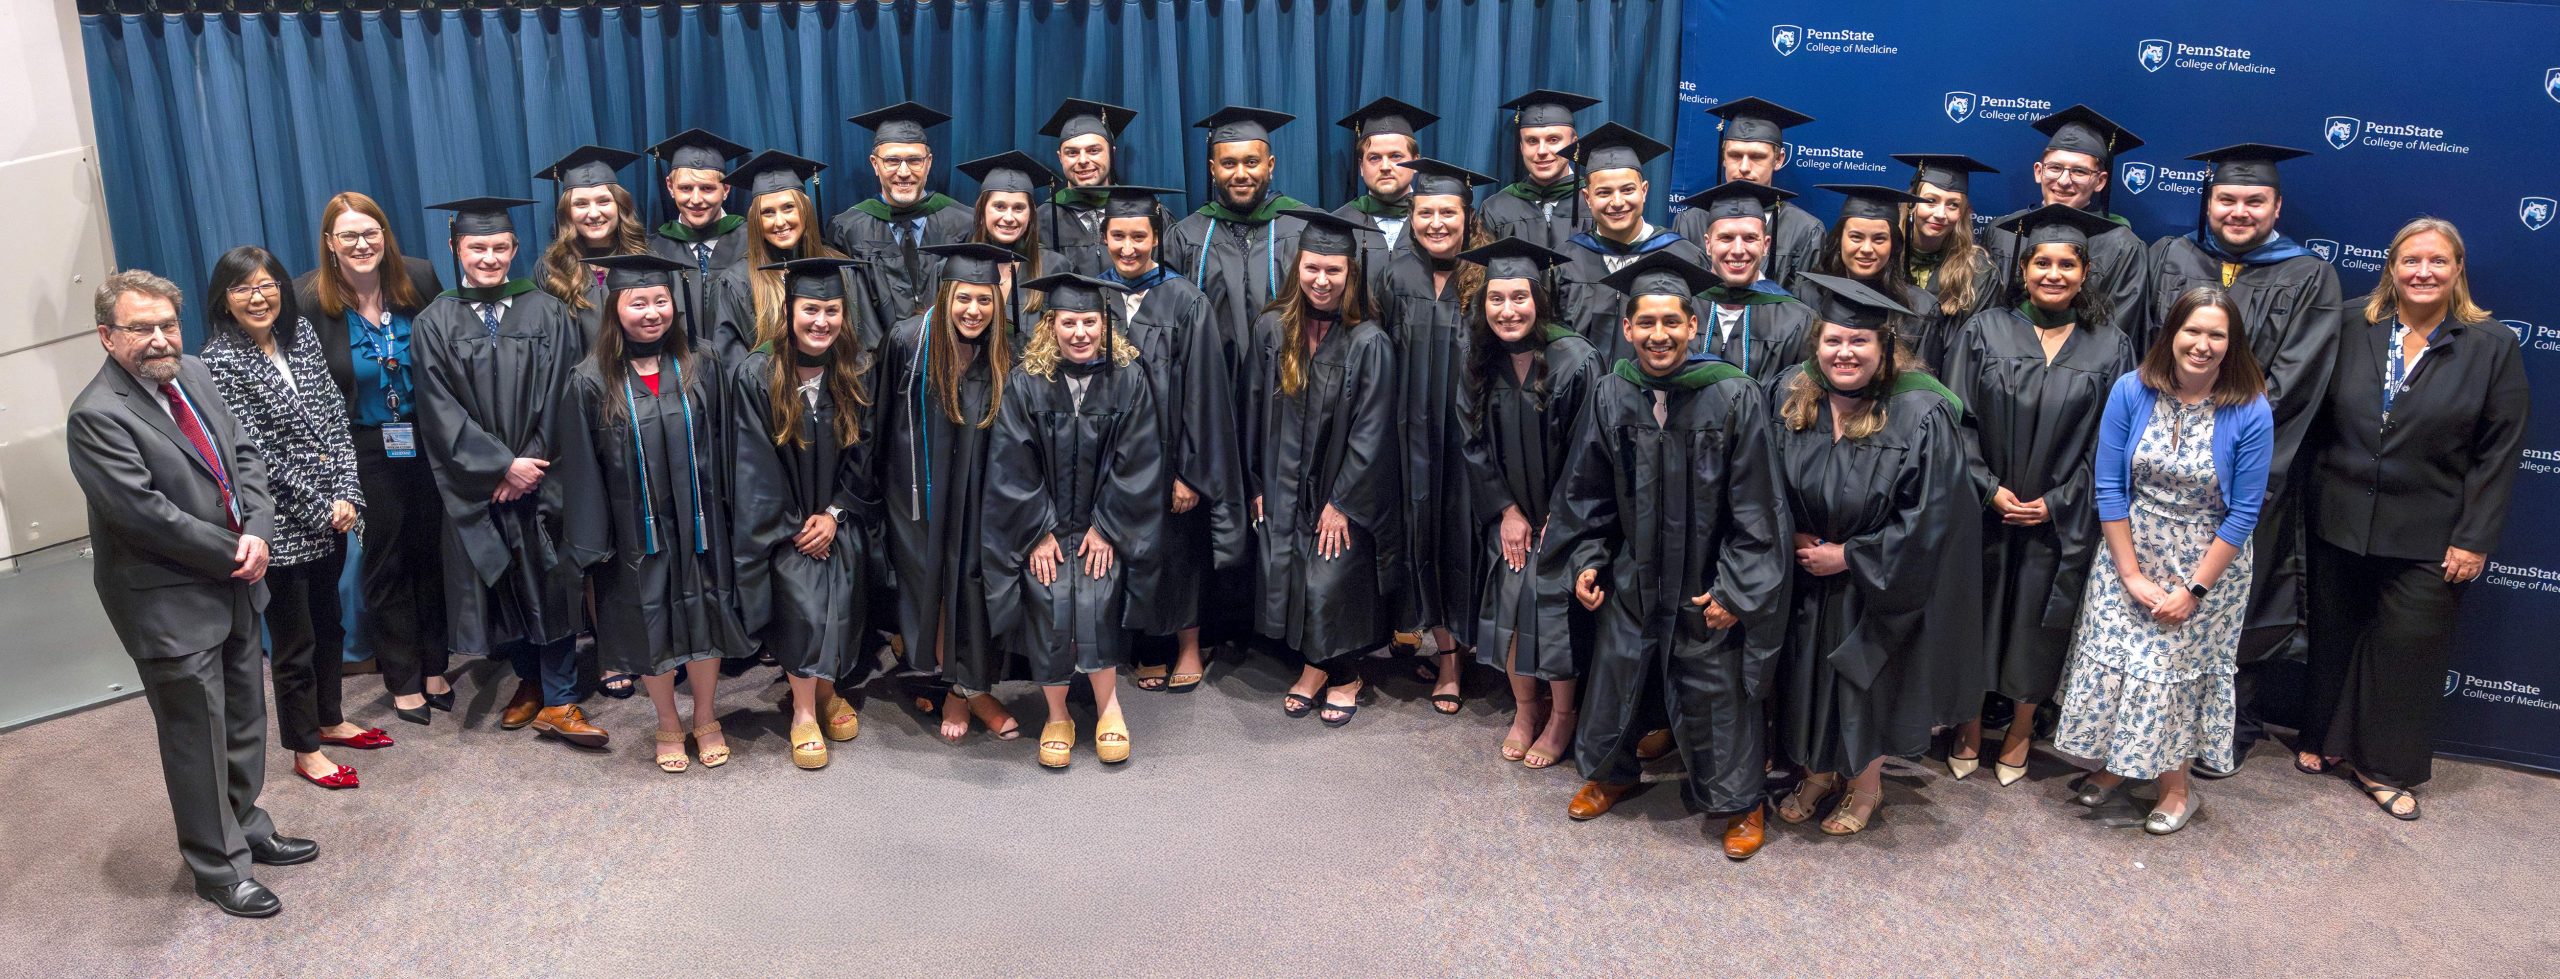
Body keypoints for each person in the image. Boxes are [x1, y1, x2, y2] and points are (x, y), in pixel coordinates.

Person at [70, 269, 315, 918]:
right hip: (168, 601)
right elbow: (144, 515)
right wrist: (236, 551)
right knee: (195, 736)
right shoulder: (96, 415)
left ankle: (246, 824)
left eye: (168, 324)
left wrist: (258, 530)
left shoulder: (197, 374)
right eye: (141, 328)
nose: (159, 339)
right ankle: (218, 865)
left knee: (244, 718)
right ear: (107, 336)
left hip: (235, 580)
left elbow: (245, 456)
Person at [1547, 250, 1791, 860]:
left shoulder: (1733, 395)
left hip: (1706, 578)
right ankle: (1613, 774)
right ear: (1628, 328)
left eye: (1672, 322)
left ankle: (1741, 801)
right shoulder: (1612, 393)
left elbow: (1758, 504)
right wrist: (1587, 559)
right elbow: (1586, 490)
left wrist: (1737, 588)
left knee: (1716, 687)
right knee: (1618, 670)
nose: (1660, 335)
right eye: (1647, 323)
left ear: (1693, 325)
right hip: (1634, 573)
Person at [2300, 217, 2528, 821]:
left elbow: (2499, 452)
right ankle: (2323, 739)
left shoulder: (2491, 344)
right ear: (2392, 267)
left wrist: (2474, 538)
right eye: (2411, 260)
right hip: (2341, 516)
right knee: (2334, 637)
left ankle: (2383, 769)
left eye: (2437, 261)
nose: (2423, 272)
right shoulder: (2352, 322)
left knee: (2407, 655)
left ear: (2458, 270)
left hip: (2431, 531)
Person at [2142, 144, 2343, 777]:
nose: (2239, 211)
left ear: (2276, 207)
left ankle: (2232, 724)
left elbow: (2293, 381)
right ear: (2209, 202)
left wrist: (2214, 435)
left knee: (2240, 593)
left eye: (2254, 201)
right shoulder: (2172, 256)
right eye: (2227, 198)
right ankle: (2147, 714)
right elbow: (2145, 349)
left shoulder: (2309, 276)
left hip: (2246, 464)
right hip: (2163, 463)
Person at [1766, 273, 1981, 839]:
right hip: (1805, 574)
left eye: (1860, 341)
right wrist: (1790, 535)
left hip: (1874, 583)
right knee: (1805, 677)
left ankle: (1865, 784)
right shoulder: (1791, 394)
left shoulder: (1920, 412)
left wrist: (1852, 556)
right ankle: (1816, 772)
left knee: (1865, 686)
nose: (1845, 352)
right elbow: (1759, 481)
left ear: (1885, 348)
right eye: (1834, 340)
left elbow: (1934, 517)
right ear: (1816, 344)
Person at [2051, 285, 2272, 834]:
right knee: (2119, 664)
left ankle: (2177, 789)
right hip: (2129, 549)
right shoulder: (2132, 389)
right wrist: (2128, 573)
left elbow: (2244, 513)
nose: (2202, 344)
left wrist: (2193, 591)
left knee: (2168, 676)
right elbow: (2109, 486)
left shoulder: (2250, 408)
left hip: (2206, 564)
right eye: (2192, 331)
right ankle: (2117, 766)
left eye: (2216, 335)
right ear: (2172, 334)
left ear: (2233, 343)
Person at [1941, 204, 2137, 784]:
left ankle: (2022, 729)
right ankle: (1968, 723)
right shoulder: (1984, 331)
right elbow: (1955, 421)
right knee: (1975, 614)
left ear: (2085, 273)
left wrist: (2059, 500)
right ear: (2023, 270)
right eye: (2042, 263)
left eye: (2067, 265)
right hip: (1985, 509)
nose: (2054, 274)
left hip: (2059, 517)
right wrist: (1987, 487)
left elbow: (2111, 443)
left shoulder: (2111, 346)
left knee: (2039, 623)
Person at [411, 196, 607, 748]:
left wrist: (529, 464)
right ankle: (530, 680)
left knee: (552, 580)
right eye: (478, 247)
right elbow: (437, 406)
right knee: (499, 580)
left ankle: (561, 697)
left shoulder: (547, 311)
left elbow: (564, 391)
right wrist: (499, 466)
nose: (489, 258)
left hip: (543, 475)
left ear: (515, 248)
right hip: (483, 483)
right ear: (456, 248)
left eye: (500, 247)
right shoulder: (434, 321)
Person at [200, 246, 379, 790]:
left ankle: (331, 719)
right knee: (295, 643)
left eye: (267, 284)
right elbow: (253, 456)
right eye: (243, 288)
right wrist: (321, 505)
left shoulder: (298, 336)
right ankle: (305, 748)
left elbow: (335, 418)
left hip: (334, 515)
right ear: (224, 299)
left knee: (330, 625)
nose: (258, 297)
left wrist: (347, 492)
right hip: (280, 525)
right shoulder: (218, 362)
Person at [565, 255, 752, 772]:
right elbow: (581, 467)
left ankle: (706, 715)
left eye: (660, 300)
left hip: (701, 523)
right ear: (614, 308)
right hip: (636, 533)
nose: (652, 312)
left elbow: (730, 443)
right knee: (650, 623)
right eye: (638, 302)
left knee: (706, 614)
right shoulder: (591, 379)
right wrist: (595, 541)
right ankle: (668, 720)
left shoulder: (702, 362)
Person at [984, 273, 1164, 768]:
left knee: (1096, 593)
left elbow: (1139, 461)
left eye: (1089, 321)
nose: (1080, 333)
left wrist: (1107, 527)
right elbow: (1011, 463)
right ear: (1050, 326)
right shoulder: (1026, 382)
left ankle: (1109, 707)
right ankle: (1058, 714)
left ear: (1105, 324)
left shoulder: (1128, 378)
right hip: (1045, 527)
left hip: (1101, 525)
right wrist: (1037, 531)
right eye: (1069, 322)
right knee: (1048, 596)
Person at [291, 192, 450, 724]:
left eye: (370, 232)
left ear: (384, 235)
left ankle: (436, 664)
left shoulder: (418, 278)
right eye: (348, 236)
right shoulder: (308, 299)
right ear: (330, 243)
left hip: (425, 438)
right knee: (387, 557)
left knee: (431, 551)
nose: (361, 244)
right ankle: (402, 675)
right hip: (363, 444)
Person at [1251, 209, 1401, 728]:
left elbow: (1373, 432)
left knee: (1330, 579)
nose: (1321, 280)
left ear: (1350, 273)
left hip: (1341, 491)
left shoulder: (1369, 341)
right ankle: (1317, 666)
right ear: (1297, 268)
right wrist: (1257, 482)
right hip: (1284, 485)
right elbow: (1252, 412)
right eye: (1312, 267)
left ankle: (1343, 674)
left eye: (1333, 270)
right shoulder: (1273, 329)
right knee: (1295, 577)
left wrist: (1343, 502)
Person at [1454, 237, 1598, 768]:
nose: (1508, 310)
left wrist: (1561, 515)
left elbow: (1590, 447)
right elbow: (1469, 441)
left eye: (1519, 297)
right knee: (1512, 600)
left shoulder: (1576, 359)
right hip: (1511, 515)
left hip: (1566, 516)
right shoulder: (1479, 359)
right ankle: (1524, 710)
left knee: (1550, 606)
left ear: (1539, 299)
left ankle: (1562, 716)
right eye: (1496, 298)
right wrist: (1506, 512)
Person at [1093, 185, 1243, 693]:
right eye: (1118, 236)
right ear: (1104, 237)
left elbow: (1205, 392)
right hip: (1115, 460)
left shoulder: (1185, 299)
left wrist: (1189, 472)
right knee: (1127, 550)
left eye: (1139, 236)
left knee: (1179, 551)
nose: (1128, 247)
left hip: (1171, 455)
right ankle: (1143, 646)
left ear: (1156, 237)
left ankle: (1188, 646)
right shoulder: (1094, 295)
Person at [875, 242, 1026, 743]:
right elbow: (880, 421)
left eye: (985, 300)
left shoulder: (1008, 347)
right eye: (964, 298)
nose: (973, 310)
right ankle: (953, 682)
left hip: (981, 490)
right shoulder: (906, 339)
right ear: (945, 296)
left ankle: (965, 691)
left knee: (972, 584)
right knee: (930, 584)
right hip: (917, 490)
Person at [732, 257, 878, 769]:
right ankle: (803, 710)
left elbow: (866, 453)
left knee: (841, 599)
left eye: (832, 310)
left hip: (840, 515)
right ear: (789, 311)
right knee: (806, 602)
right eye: (811, 309)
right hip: (785, 527)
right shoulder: (757, 373)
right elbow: (752, 463)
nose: (822, 321)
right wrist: (797, 524)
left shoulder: (857, 369)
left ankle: (827, 690)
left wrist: (836, 512)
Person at [1373, 158, 1497, 713]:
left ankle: (1479, 648)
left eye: (1448, 212)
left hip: (1475, 436)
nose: (1436, 223)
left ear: (1468, 216)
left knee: (1469, 540)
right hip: (1412, 436)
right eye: (1425, 213)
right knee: (1426, 538)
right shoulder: (1395, 275)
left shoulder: (1490, 276)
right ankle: (1447, 654)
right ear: (1412, 217)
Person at [1552, 122, 1707, 366]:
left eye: (1627, 190)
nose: (1617, 202)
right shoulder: (1566, 261)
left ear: (1644, 191)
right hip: (1581, 389)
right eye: (1604, 192)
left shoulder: (1683, 256)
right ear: (1587, 198)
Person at [1166, 105, 1311, 366]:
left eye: (1251, 162)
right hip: (1211, 377)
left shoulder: (1302, 228)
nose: (1241, 174)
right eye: (1229, 163)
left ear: (1270, 165)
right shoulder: (1187, 235)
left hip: (1285, 375)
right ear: (1213, 169)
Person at [1980, 105, 2149, 320]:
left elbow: (2119, 328)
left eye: (2079, 171)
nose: (2064, 181)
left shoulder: (2123, 247)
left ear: (2100, 181)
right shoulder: (2002, 232)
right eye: (2055, 168)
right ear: (2038, 172)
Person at [825, 102, 974, 325]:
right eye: (892, 161)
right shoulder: (847, 229)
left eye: (914, 160)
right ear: (875, 165)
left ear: (928, 163)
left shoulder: (963, 223)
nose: (904, 172)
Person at [710, 150, 864, 362]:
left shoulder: (842, 268)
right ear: (755, 220)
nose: (780, 221)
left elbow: (861, 348)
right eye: (768, 212)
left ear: (805, 209)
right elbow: (732, 366)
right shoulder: (736, 283)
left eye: (788, 208)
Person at [1676, 97, 1824, 289]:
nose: (1744, 167)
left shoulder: (1805, 231)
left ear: (1779, 160)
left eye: (1757, 157)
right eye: (1735, 156)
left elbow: (1806, 303)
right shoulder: (1690, 223)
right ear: (1723, 158)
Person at [1679, 180, 1816, 380]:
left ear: (1766, 245)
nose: (1738, 250)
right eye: (1726, 238)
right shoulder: (1681, 308)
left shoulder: (1797, 320)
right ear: (1708, 244)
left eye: (1750, 238)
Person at [533, 145, 650, 344]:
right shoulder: (550, 268)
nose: (594, 213)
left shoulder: (647, 259)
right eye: (581, 204)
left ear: (619, 205)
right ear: (567, 212)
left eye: (603, 201)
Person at [1892, 153, 2001, 366]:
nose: (1941, 214)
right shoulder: (1885, 256)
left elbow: (1974, 349)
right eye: (1930, 201)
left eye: (1953, 205)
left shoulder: (1978, 272)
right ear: (1911, 203)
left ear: (1964, 212)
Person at [1808, 183, 1934, 350]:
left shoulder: (1920, 307)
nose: (1867, 249)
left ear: (1893, 245)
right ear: (1839, 240)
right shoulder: (1809, 296)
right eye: (1856, 237)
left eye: (1879, 239)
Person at [1035, 98, 1150, 276]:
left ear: (1112, 153)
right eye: (1072, 153)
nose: (1083, 160)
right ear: (1060, 158)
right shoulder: (1041, 219)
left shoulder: (1145, 211)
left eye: (1093, 150)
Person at [1481, 89, 1602, 253]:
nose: (1542, 151)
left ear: (1574, 144)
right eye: (1532, 141)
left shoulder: (1597, 204)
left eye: (1553, 140)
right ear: (1521, 147)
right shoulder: (1496, 209)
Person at [957, 150, 1065, 332]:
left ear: (1031, 215)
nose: (1008, 217)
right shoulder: (955, 266)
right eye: (999, 206)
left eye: (1018, 208)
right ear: (982, 211)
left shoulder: (1054, 268)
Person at [1332, 96, 1437, 273]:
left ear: (1416, 162)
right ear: (1361, 167)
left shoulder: (1438, 222)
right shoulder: (1339, 223)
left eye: (1396, 156)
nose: (1385, 167)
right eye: (1374, 158)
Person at [642, 128, 753, 278]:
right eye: (685, 188)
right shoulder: (653, 249)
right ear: (670, 187)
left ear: (726, 189)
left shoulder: (752, 241)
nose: (696, 200)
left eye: (707, 188)